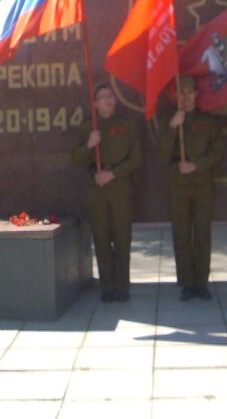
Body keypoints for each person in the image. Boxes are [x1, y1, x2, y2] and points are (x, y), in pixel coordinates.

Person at [70, 84, 142, 303]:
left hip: (119, 186)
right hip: (96, 188)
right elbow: (76, 159)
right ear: (95, 103)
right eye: (103, 97)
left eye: (111, 96)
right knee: (101, 238)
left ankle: (122, 285)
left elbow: (136, 159)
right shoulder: (87, 128)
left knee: (121, 237)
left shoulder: (127, 125)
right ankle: (107, 286)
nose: (108, 100)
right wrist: (90, 145)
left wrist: (113, 174)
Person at [160, 77, 223, 302]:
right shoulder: (171, 120)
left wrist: (196, 165)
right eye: (181, 93)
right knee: (182, 233)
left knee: (202, 233)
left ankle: (201, 282)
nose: (186, 97)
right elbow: (163, 151)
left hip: (202, 181)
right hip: (178, 182)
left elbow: (217, 152)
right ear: (176, 97)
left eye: (189, 93)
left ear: (196, 95)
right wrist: (172, 127)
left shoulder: (208, 122)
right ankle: (186, 283)